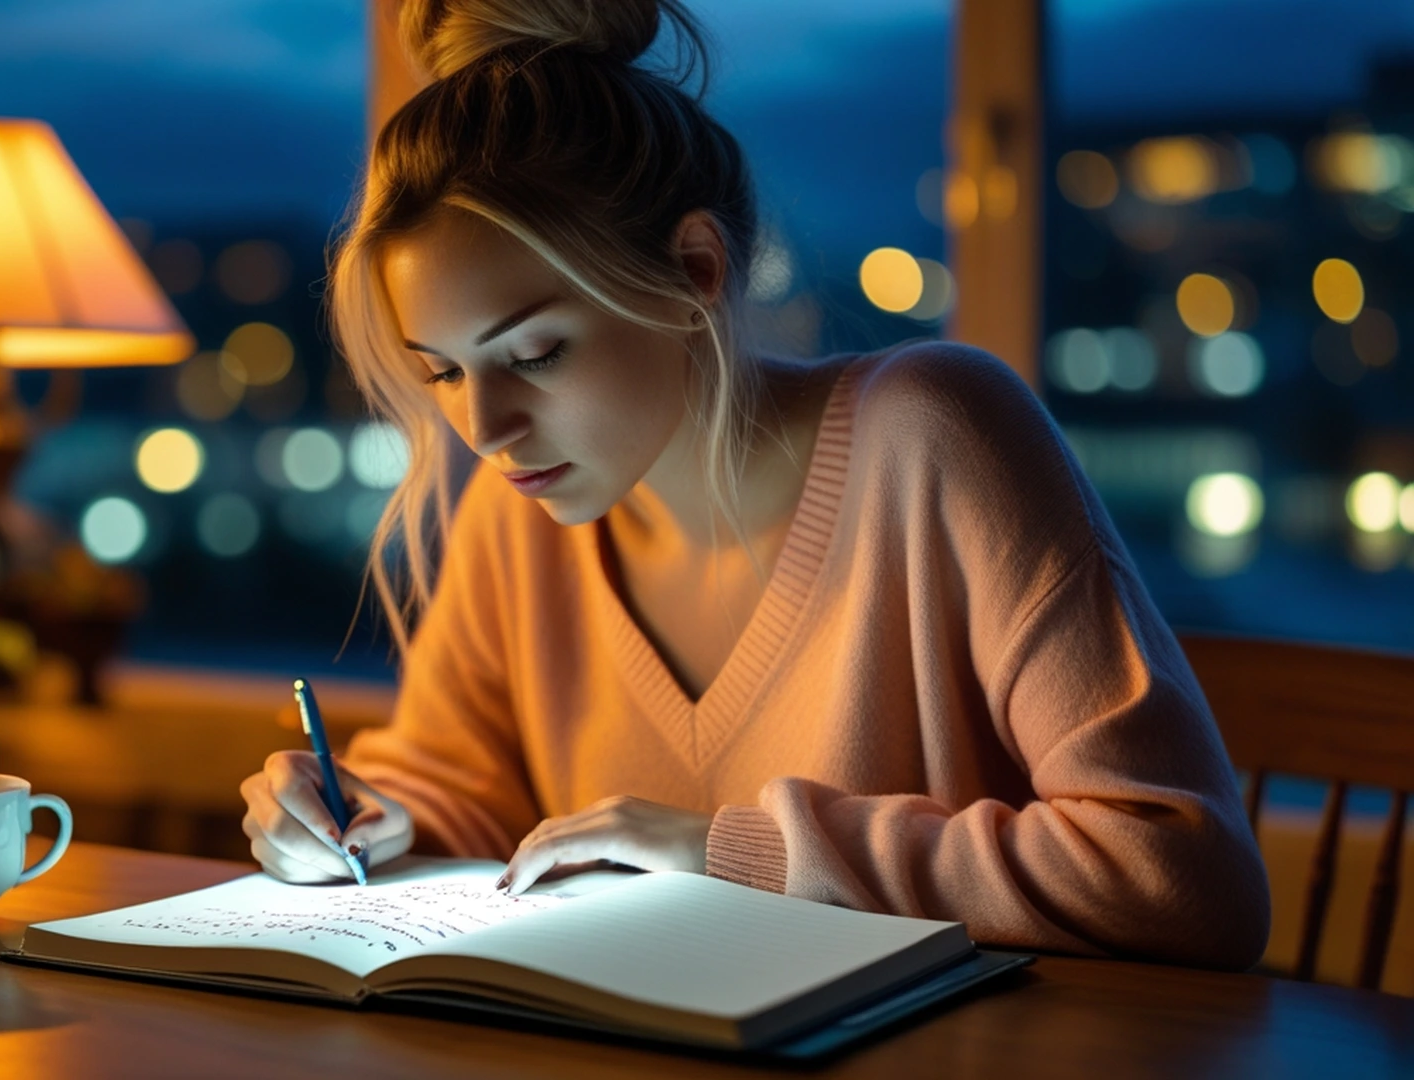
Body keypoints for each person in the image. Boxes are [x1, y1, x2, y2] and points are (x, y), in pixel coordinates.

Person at [239, 0, 1270, 970]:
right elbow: (459, 792)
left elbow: (1183, 873)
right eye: (444, 372)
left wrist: (736, 853)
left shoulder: (937, 435)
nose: (486, 428)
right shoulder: (521, 518)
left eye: (539, 352)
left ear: (696, 271)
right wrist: (364, 815)